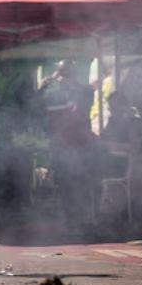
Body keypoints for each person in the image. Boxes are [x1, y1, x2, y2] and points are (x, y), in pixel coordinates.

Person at [41, 59, 98, 224]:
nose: (62, 77)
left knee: (81, 183)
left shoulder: (85, 91)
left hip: (81, 145)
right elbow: (41, 108)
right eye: (60, 73)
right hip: (61, 146)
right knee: (65, 184)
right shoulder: (54, 94)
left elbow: (77, 110)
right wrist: (45, 85)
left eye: (65, 73)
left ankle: (84, 220)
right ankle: (71, 221)